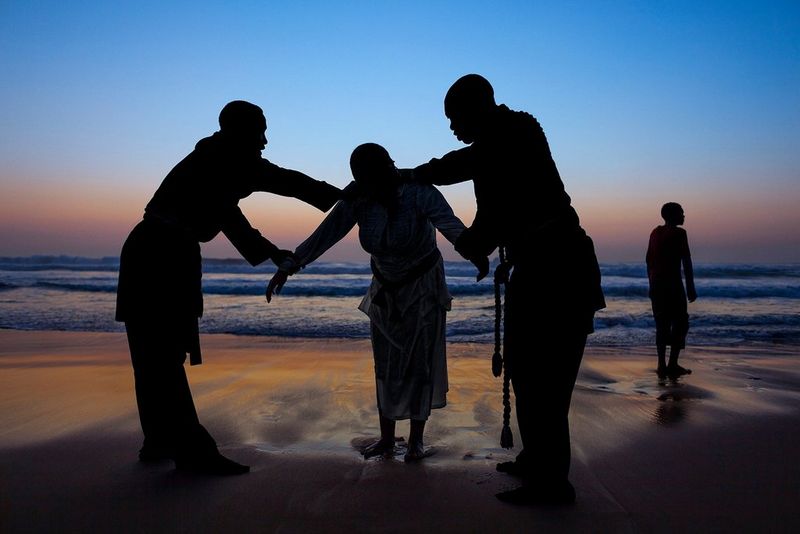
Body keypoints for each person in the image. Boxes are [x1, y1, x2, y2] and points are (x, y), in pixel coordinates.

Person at [115, 100, 340, 475]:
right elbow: (285, 181)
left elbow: (231, 214)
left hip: (147, 250)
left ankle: (158, 441)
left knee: (152, 357)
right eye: (260, 130)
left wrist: (269, 251)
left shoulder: (216, 157)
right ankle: (193, 452)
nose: (265, 140)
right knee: (163, 356)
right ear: (239, 130)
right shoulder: (231, 159)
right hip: (162, 255)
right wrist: (348, 196)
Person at [413, 74, 605, 505]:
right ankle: (536, 459)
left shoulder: (516, 131)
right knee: (525, 369)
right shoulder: (500, 141)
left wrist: (467, 242)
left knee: (546, 380)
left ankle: (554, 484)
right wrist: (414, 176)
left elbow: (467, 176)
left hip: (560, 272)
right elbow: (462, 167)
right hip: (537, 269)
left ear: (476, 106)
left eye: (454, 117)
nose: (452, 127)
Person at [266, 143, 488, 462]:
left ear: (389, 167)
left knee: (419, 362)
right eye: (361, 179)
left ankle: (416, 441)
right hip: (384, 288)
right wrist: (289, 265)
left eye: (373, 176)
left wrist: (475, 253)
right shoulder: (358, 197)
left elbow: (449, 224)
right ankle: (386, 438)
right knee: (384, 363)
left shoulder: (419, 191)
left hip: (423, 286)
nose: (368, 185)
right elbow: (326, 234)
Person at [646, 202, 697, 379]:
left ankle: (661, 364)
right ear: (673, 215)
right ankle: (672, 364)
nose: (684, 216)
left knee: (661, 324)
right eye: (681, 213)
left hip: (657, 285)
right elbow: (686, 261)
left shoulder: (655, 233)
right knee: (680, 323)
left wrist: (651, 284)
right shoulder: (679, 233)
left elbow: (649, 261)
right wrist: (691, 286)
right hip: (673, 285)